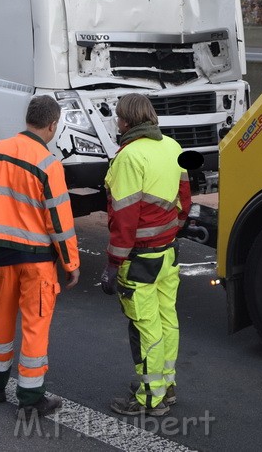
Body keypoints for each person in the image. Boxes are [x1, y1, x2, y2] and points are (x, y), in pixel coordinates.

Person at [0, 95, 80, 418]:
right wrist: (71, 263)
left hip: (1, 255)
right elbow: (58, 221)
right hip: (36, 261)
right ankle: (30, 399)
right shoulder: (48, 163)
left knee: (2, 317)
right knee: (34, 325)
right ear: (52, 124)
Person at [101, 93, 192, 417]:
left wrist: (113, 264)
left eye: (117, 117)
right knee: (168, 321)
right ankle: (166, 385)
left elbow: (124, 219)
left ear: (126, 121)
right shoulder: (171, 146)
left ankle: (149, 398)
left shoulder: (129, 157)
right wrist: (169, 230)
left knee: (144, 328)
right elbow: (185, 201)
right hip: (168, 253)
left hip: (139, 259)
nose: (116, 122)